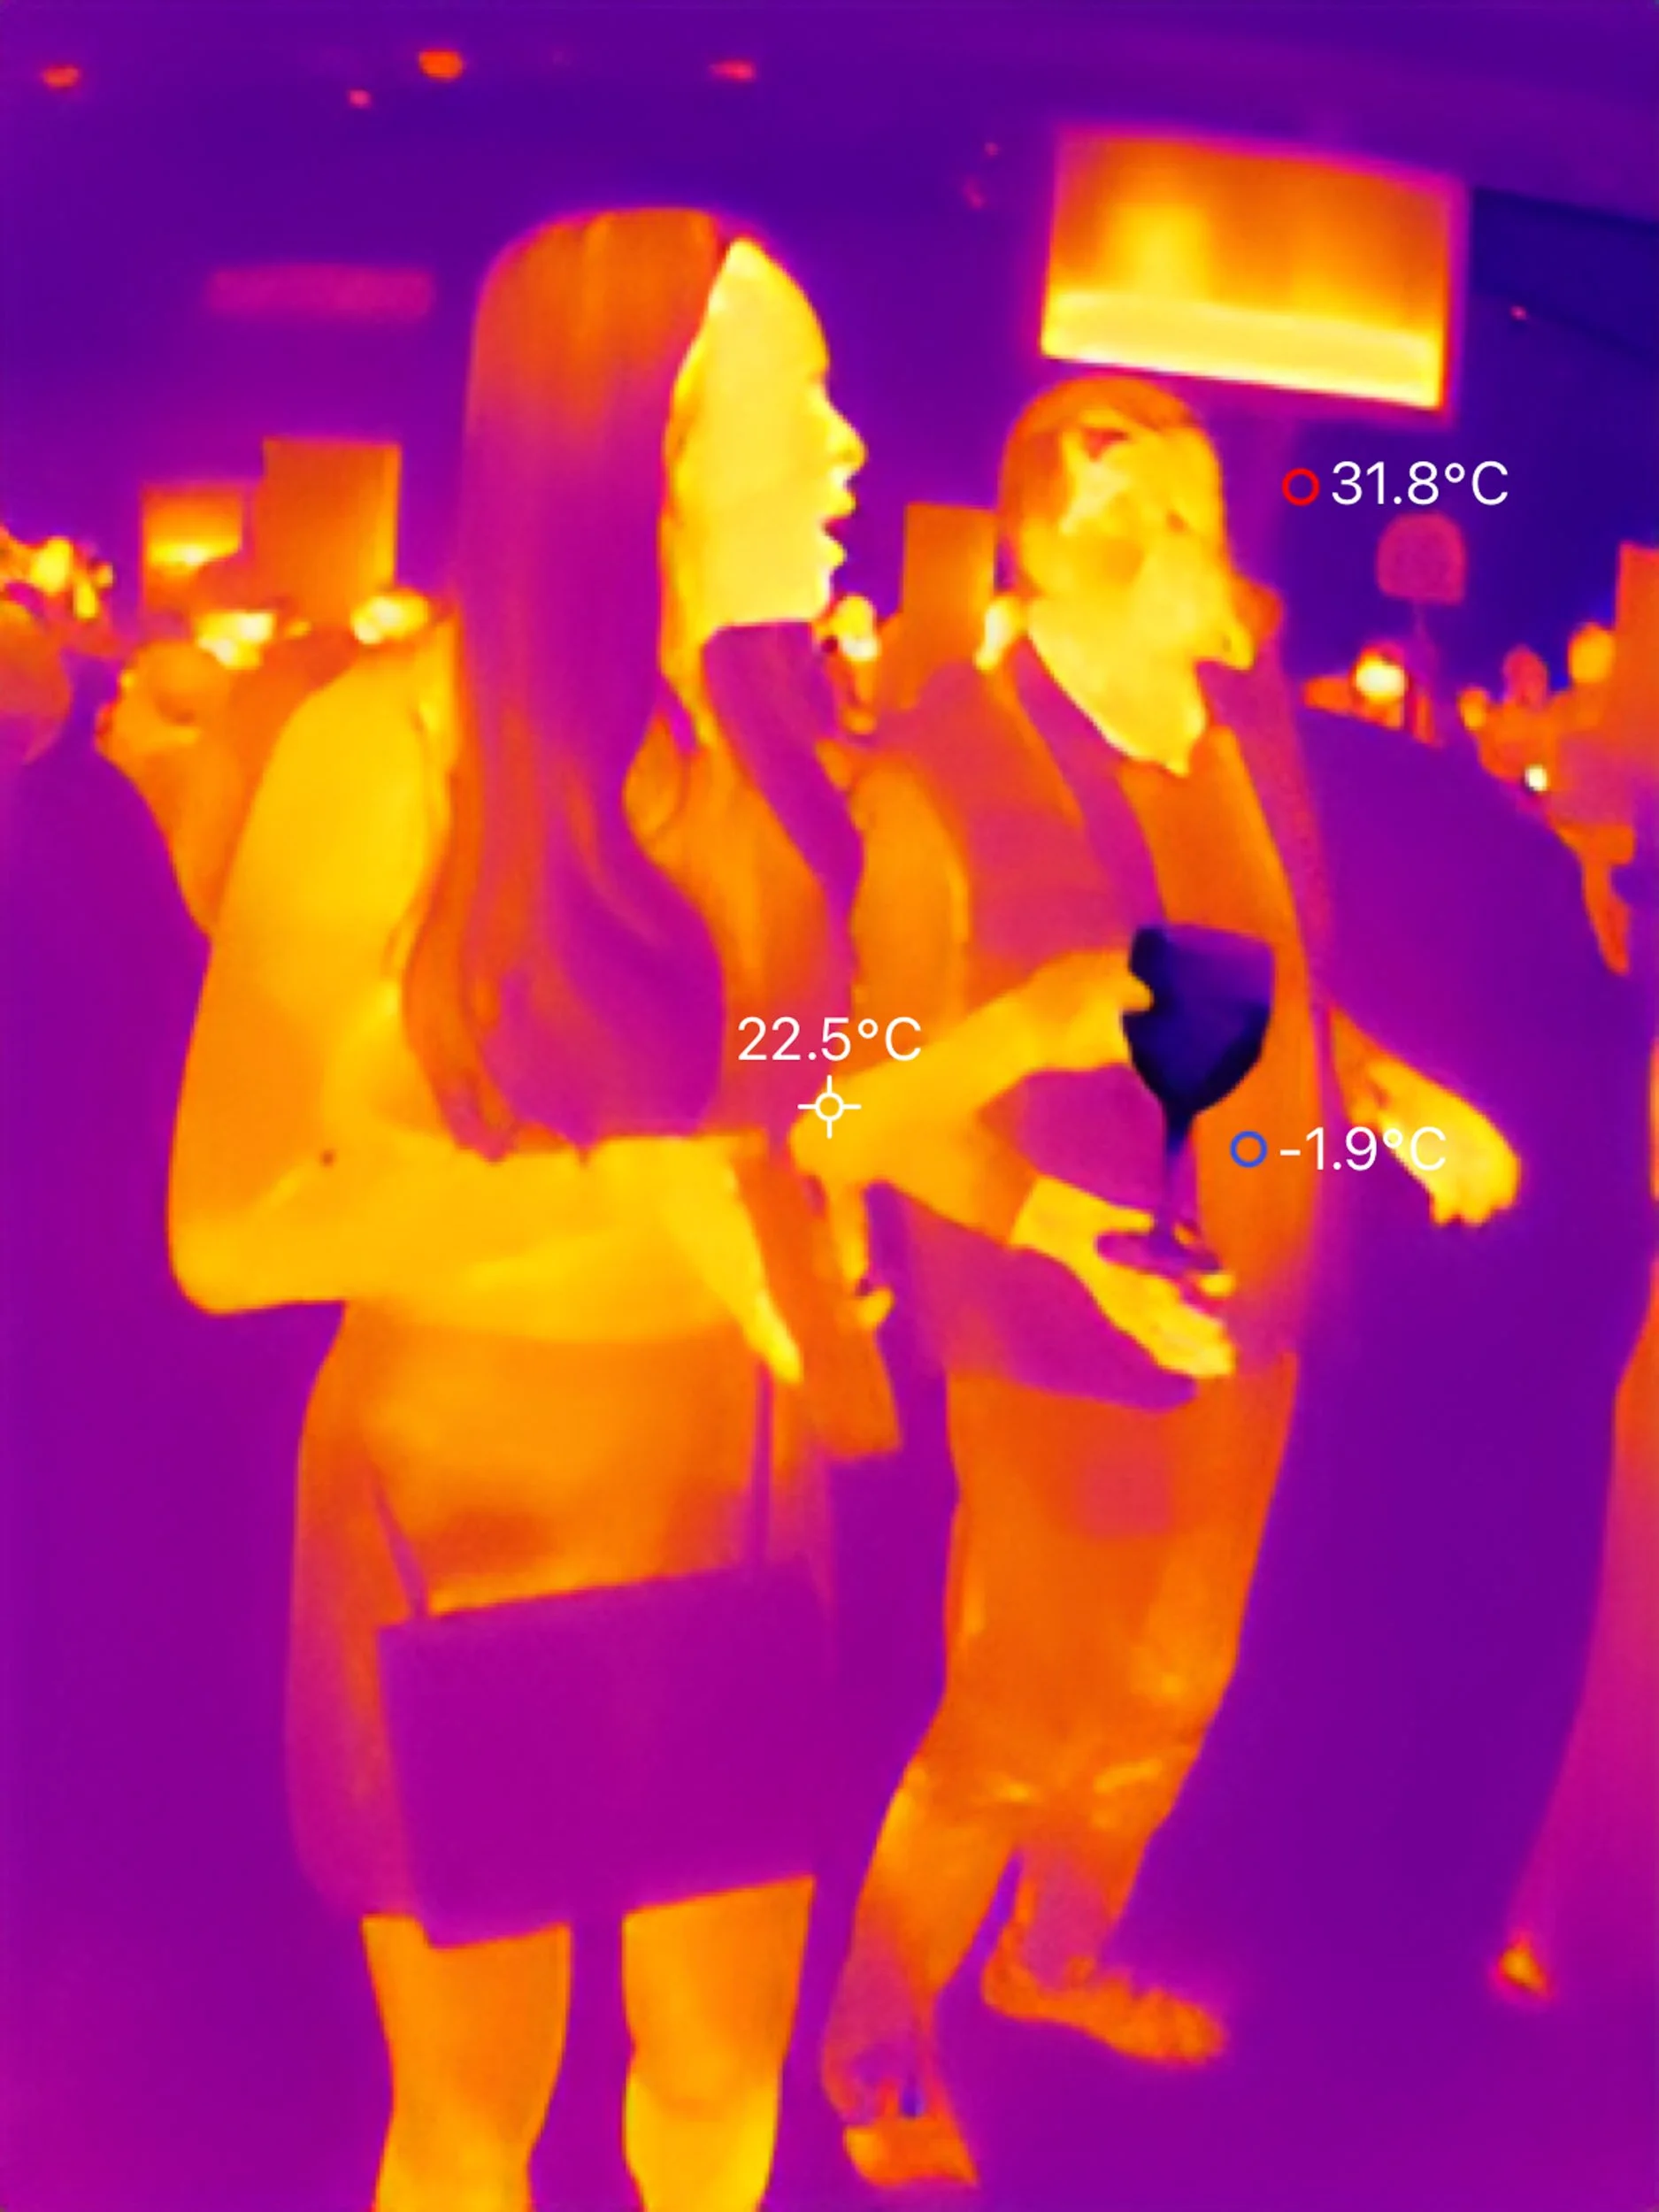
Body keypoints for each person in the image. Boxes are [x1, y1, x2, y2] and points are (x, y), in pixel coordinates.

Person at [167, 214, 1194, 2212]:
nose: (846, 447)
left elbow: (807, 1095)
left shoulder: (767, 761)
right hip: (462, 1507)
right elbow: (229, 1226)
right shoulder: (385, 754)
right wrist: (634, 1186)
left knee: (722, 2067)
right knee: (472, 2107)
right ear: (630, 435)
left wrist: (1032, 1173)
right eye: (794, 396)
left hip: (727, 1486)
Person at [820, 375, 1523, 2190]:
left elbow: (1277, 979)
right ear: (1052, 544)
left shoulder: (1239, 740)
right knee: (1010, 1720)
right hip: (1060, 1341)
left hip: (1255, 1301)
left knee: (1170, 1693)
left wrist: (1393, 1096)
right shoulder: (941, 773)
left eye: (1199, 513)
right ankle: (877, 2044)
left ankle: (1052, 1957)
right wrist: (1041, 1117)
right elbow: (850, 1102)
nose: (1202, 553)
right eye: (1154, 517)